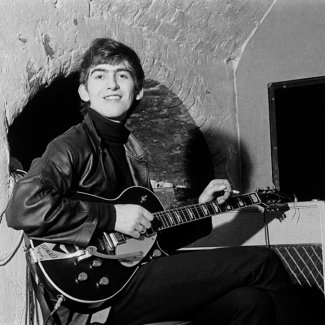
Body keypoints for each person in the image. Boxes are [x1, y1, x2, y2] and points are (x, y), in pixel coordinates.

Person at [5, 38, 304, 325]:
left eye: (122, 75)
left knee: (251, 304)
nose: (111, 84)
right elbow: (22, 209)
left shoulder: (133, 152)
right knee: (263, 263)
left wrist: (200, 209)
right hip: (97, 294)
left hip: (135, 276)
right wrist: (111, 216)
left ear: (138, 92)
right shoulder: (70, 145)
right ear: (84, 92)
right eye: (100, 76)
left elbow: (151, 239)